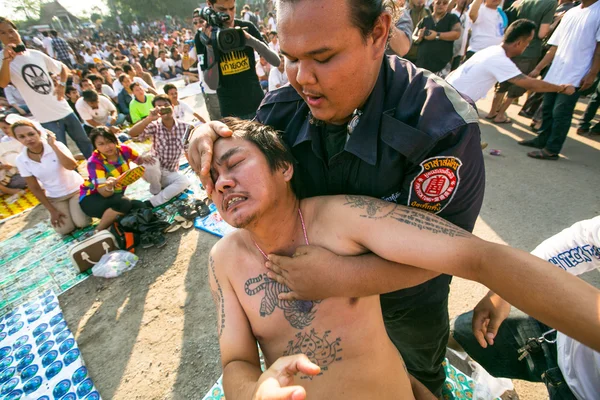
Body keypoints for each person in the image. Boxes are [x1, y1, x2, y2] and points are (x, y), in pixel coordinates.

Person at [188, 0, 486, 395]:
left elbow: (455, 251)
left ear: (379, 32)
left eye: (322, 57)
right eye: (289, 57)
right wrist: (211, 134)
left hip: (407, 302)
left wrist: (343, 277)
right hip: (322, 309)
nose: (301, 78)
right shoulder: (280, 110)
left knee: (419, 375)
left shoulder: (441, 125)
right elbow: (250, 163)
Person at [207, 118, 600, 400]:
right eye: (210, 177)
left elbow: (479, 257)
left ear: (285, 167)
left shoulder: (340, 217)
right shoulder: (223, 260)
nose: (221, 182)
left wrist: (344, 275)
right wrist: (255, 391)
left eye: (235, 163)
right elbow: (236, 361)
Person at [452, 216, 600, 400]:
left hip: (581, 393)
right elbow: (587, 241)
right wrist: (507, 289)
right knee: (461, 331)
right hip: (560, 334)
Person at [518, 0, 600, 160]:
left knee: (561, 112)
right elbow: (554, 46)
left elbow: (599, 48)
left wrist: (592, 73)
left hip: (576, 74)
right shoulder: (572, 12)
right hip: (556, 71)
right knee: (547, 108)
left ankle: (552, 149)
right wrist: (538, 68)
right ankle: (542, 139)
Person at [0, 18, 93, 159]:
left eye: (11, 31)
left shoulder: (35, 54)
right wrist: (6, 60)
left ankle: (99, 171)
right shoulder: (2, 59)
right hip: (45, 116)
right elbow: (3, 83)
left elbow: (63, 68)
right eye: (3, 33)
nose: (10, 35)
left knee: (85, 142)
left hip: (63, 108)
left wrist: (62, 85)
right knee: (61, 151)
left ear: (17, 31)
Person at [447, 20, 575, 103]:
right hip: (453, 103)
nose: (527, 47)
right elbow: (530, 84)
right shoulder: (499, 59)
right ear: (519, 43)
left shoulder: (492, 50)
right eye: (528, 43)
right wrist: (561, 88)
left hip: (451, 98)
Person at [193, 2, 281, 119]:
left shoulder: (247, 26)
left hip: (257, 104)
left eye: (232, 8)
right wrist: (210, 47)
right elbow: (212, 84)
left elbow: (276, 61)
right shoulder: (202, 37)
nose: (229, 14)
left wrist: (251, 40)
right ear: (210, 5)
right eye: (222, 9)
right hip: (231, 113)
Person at [485, 0, 558, 124]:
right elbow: (542, 33)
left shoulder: (523, 1)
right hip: (529, 50)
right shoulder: (550, 3)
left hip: (510, 46)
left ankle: (492, 112)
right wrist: (555, 22)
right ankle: (500, 114)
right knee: (518, 85)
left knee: (502, 82)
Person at [13, 120, 91, 235]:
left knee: (82, 222)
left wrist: (53, 146)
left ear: (39, 133)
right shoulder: (21, 159)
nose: (28, 139)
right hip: (55, 196)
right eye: (22, 136)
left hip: (76, 190)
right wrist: (52, 210)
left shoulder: (56, 145)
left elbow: (71, 166)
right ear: (17, 139)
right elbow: (34, 187)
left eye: (31, 134)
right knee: (64, 229)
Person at [79, 127, 154, 232]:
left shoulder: (124, 150)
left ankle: (115, 225)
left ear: (115, 140)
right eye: (101, 144)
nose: (107, 147)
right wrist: (109, 186)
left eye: (109, 141)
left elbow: (140, 160)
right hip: (92, 199)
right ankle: (99, 231)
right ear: (95, 146)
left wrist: (146, 156)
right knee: (124, 203)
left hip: (115, 197)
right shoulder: (94, 162)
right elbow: (104, 193)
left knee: (140, 206)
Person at [127, 95, 191, 208]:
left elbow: (188, 150)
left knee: (184, 181)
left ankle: (152, 202)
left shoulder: (185, 127)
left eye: (166, 105)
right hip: (152, 169)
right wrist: (149, 118)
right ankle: (156, 190)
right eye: (160, 107)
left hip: (169, 171)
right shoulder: (154, 126)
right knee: (152, 163)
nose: (164, 109)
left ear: (172, 106)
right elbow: (132, 133)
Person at [186, 15, 222, 121]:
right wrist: (184, 54)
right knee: (217, 118)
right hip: (209, 87)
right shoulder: (197, 41)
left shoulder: (218, 35)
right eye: (195, 23)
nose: (198, 25)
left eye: (201, 21)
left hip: (223, 84)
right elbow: (186, 65)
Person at [412, 0, 461, 76]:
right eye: (438, 2)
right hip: (422, 66)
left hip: (442, 67)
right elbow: (413, 36)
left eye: (444, 3)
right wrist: (419, 37)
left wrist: (436, 35)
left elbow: (457, 34)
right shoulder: (425, 19)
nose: (441, 5)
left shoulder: (452, 18)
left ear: (447, 5)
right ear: (433, 3)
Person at [450, 0, 472, 71]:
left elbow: (467, 34)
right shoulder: (452, 12)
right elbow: (447, 9)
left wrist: (464, 51)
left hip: (460, 52)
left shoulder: (468, 15)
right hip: (450, 51)